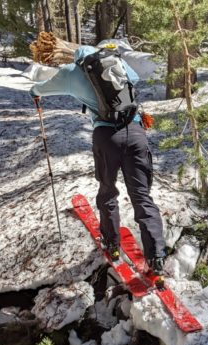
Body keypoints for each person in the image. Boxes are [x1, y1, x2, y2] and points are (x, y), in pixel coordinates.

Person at [29, 41, 167, 275]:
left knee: (107, 190)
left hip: (105, 137)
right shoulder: (119, 64)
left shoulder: (72, 72)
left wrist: (34, 92)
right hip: (135, 133)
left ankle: (112, 244)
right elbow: (134, 82)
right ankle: (157, 257)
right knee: (142, 196)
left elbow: (43, 87)